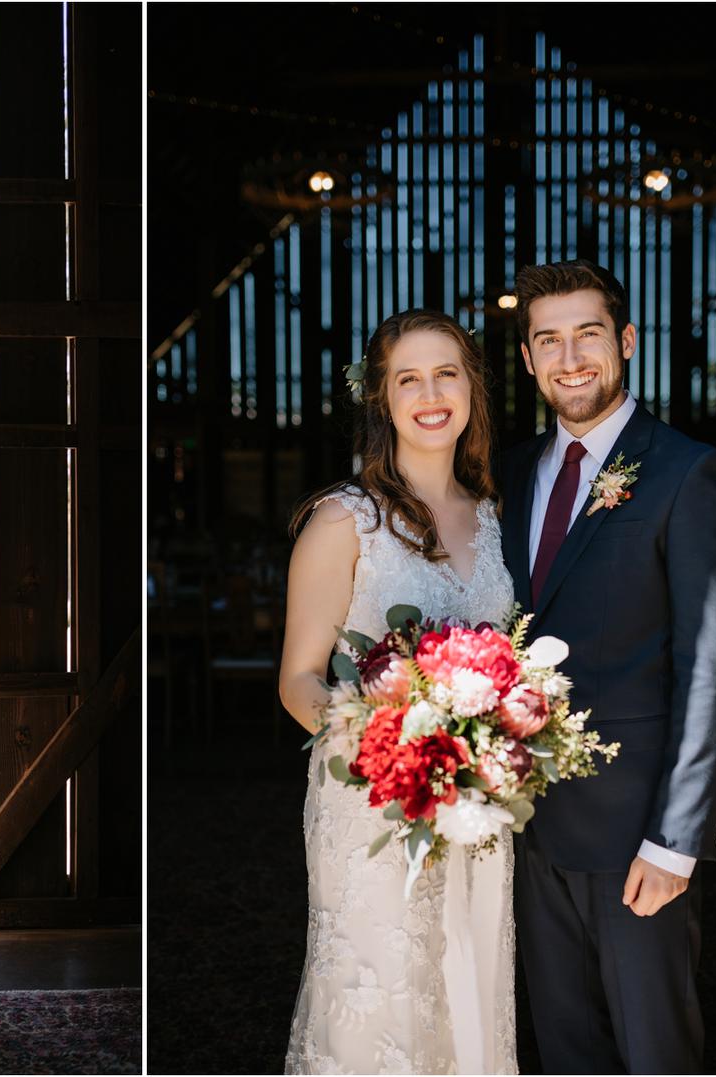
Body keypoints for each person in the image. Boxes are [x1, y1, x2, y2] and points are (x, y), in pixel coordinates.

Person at [499, 259, 716, 1074]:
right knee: (564, 1046)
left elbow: (711, 667)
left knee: (654, 1050)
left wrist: (676, 840)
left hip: (637, 832)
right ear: (529, 359)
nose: (571, 357)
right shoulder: (508, 476)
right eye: (549, 340)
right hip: (526, 828)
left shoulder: (688, 472)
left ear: (628, 341)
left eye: (589, 334)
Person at [280, 310, 518, 1074]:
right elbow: (297, 679)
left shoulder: (492, 516)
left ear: (472, 387)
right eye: (407, 378)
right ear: (381, 399)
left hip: (476, 800)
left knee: (468, 984)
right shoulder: (342, 521)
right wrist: (377, 738)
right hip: (373, 802)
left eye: (446, 372)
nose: (430, 393)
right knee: (381, 992)